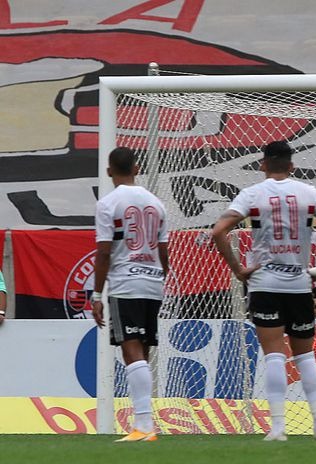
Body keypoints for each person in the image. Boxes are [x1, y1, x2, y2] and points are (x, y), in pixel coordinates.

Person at [212, 140, 316, 442]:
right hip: (299, 285)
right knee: (304, 358)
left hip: (265, 285)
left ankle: (277, 429)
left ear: (263, 164)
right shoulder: (308, 193)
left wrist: (238, 269)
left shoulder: (252, 194)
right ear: (292, 166)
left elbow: (218, 231)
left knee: (274, 357)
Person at [91, 147, 169, 442]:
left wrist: (97, 294)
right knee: (143, 350)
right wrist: (159, 278)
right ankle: (143, 423)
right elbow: (164, 252)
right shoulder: (156, 203)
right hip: (153, 282)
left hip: (126, 283)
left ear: (110, 170)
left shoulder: (108, 203)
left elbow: (103, 252)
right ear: (137, 168)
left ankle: (144, 426)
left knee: (131, 348)